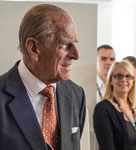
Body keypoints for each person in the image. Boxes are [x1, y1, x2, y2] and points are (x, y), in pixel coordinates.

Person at [0, 4, 86, 150]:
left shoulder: (76, 94)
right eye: (65, 44)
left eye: (74, 44)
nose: (76, 55)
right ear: (33, 48)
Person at [93, 60, 136, 150]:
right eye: (119, 76)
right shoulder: (102, 109)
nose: (123, 79)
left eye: (128, 76)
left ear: (133, 81)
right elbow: (107, 147)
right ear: (111, 80)